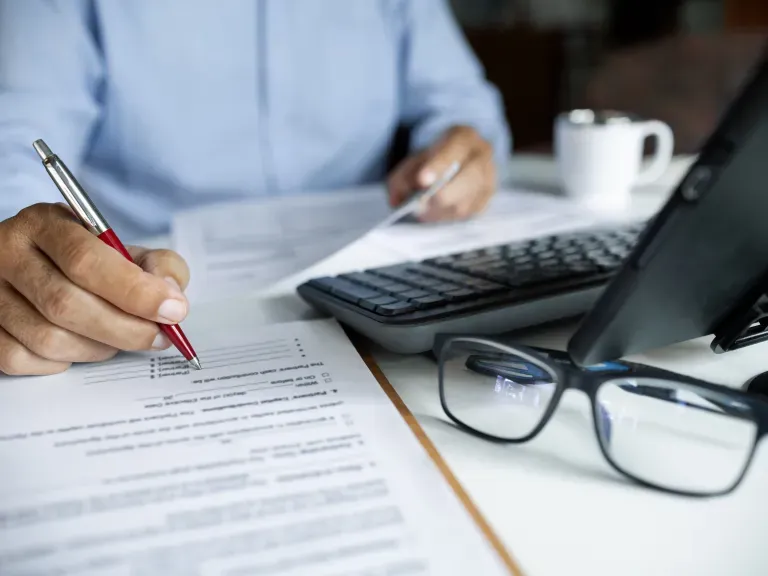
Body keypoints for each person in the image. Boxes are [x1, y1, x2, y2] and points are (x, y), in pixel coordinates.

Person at [0, 0, 510, 376]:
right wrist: (28, 265)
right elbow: (14, 149)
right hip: (141, 290)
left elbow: (465, 108)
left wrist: (462, 153)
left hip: (370, 287)